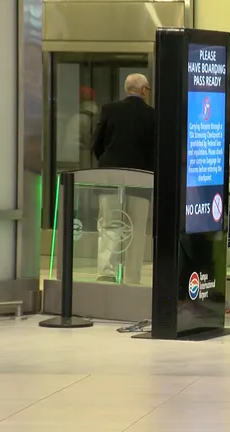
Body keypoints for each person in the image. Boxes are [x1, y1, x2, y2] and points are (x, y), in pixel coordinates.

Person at [92, 74, 154, 285]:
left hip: (110, 176)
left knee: (110, 224)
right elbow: (156, 150)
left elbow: (96, 143)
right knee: (136, 229)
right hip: (142, 179)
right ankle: (132, 277)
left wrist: (107, 162)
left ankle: (106, 273)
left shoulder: (110, 109)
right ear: (144, 90)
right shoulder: (152, 115)